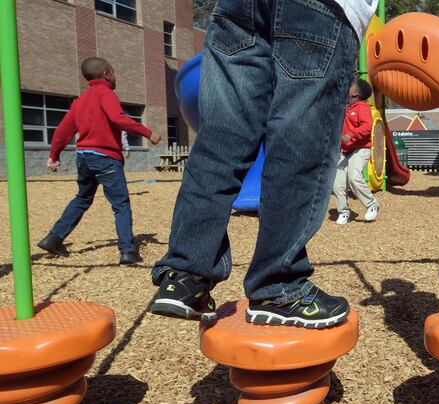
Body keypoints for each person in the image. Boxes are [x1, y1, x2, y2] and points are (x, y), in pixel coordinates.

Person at [150, 0, 377, 328]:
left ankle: (184, 274)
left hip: (238, 8)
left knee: (221, 139)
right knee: (298, 146)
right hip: (318, 9)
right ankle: (278, 288)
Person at [38, 57, 161, 265]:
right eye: (113, 72)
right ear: (106, 74)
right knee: (120, 204)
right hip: (105, 158)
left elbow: (62, 131)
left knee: (82, 198)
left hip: (84, 158)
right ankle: (128, 251)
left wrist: (54, 155)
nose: (114, 77)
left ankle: (54, 237)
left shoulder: (80, 101)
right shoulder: (106, 94)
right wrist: (148, 133)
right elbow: (118, 118)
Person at [333, 78, 380, 225]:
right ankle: (344, 211)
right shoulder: (345, 107)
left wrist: (351, 134)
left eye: (351, 85)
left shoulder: (362, 107)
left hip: (360, 149)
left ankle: (372, 204)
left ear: (355, 92)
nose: (348, 85)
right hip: (345, 151)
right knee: (336, 184)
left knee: (354, 177)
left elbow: (367, 127)